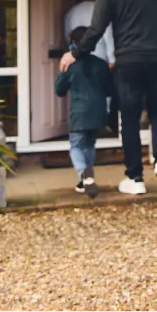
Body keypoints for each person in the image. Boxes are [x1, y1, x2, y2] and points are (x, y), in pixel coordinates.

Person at [60, 0, 157, 196]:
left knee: (130, 119)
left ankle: (135, 178)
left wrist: (75, 53)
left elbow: (96, 29)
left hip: (129, 61)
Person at [55, 26, 114, 199]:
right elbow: (110, 89)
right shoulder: (101, 64)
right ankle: (85, 181)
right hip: (98, 111)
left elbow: (59, 90)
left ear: (73, 43)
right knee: (89, 144)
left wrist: (61, 72)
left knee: (76, 146)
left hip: (79, 112)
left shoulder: (70, 66)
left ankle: (83, 173)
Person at [65, 0, 118, 134]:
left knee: (80, 87)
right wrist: (112, 58)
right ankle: (102, 122)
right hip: (99, 51)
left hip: (76, 54)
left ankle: (79, 123)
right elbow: (108, 34)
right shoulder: (100, 9)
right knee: (101, 88)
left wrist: (72, 53)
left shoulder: (71, 12)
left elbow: (68, 35)